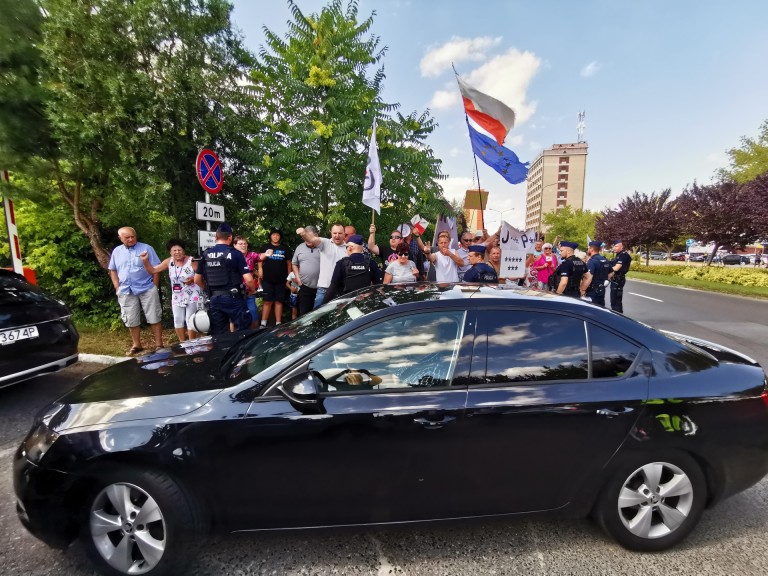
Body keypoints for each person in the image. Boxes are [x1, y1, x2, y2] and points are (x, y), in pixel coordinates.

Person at [108, 226, 164, 355]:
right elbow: (113, 270)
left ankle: (159, 345)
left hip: (147, 288)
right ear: (120, 238)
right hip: (126, 290)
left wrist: (154, 285)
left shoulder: (147, 248)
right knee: (131, 318)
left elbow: (157, 268)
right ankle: (137, 345)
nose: (131, 239)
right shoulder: (117, 251)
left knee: (154, 316)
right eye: (127, 237)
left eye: (133, 236)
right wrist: (117, 286)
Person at [194, 223, 254, 335]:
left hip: (214, 299)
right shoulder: (235, 254)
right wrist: (252, 291)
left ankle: (222, 351)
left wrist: (209, 290)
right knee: (243, 332)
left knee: (219, 335)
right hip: (234, 298)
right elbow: (249, 280)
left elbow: (197, 280)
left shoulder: (205, 254)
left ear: (216, 237)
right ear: (230, 237)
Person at [140, 239, 203, 342]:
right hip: (177, 295)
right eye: (174, 250)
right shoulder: (168, 261)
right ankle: (182, 343)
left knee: (190, 319)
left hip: (192, 295)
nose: (177, 252)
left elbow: (201, 275)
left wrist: (192, 279)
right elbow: (153, 270)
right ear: (170, 252)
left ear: (184, 251)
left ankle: (192, 343)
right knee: (177, 319)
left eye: (179, 250)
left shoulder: (192, 261)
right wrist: (145, 261)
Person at [297, 223, 347, 308]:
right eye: (335, 233)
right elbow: (312, 239)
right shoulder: (325, 243)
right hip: (324, 289)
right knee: (317, 317)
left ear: (344, 234)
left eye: (340, 233)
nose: (337, 235)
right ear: (331, 233)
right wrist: (303, 234)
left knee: (340, 319)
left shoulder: (348, 248)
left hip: (341, 290)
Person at [324, 235, 380, 302]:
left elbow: (333, 287)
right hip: (365, 303)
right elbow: (379, 286)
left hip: (346, 303)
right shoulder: (371, 263)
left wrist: (323, 306)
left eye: (346, 247)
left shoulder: (341, 263)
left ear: (350, 248)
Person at [258, 228, 293, 326]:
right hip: (267, 279)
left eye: (277, 235)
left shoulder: (285, 248)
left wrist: (289, 277)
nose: (275, 237)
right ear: (270, 236)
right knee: (267, 301)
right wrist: (260, 269)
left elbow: (289, 263)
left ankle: (278, 323)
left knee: (279, 301)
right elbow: (260, 259)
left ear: (280, 237)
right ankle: (263, 324)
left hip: (281, 280)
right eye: (273, 235)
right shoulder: (265, 247)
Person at [234, 235, 267, 328]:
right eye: (240, 244)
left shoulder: (251, 255)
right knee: (235, 319)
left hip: (249, 292)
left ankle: (253, 336)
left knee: (254, 316)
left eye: (245, 243)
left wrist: (267, 253)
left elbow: (260, 256)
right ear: (235, 245)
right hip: (235, 293)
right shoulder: (231, 256)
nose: (243, 245)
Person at [291, 225, 321, 315]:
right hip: (305, 286)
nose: (308, 240)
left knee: (320, 313)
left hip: (322, 288)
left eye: (310, 237)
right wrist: (298, 279)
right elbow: (294, 263)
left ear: (316, 236)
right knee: (305, 313)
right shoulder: (299, 247)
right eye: (305, 237)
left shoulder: (322, 246)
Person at [582, 241, 611, 307]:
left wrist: (582, 290)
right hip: (601, 289)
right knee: (600, 310)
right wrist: (605, 279)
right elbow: (611, 272)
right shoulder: (604, 259)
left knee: (590, 310)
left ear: (592, 249)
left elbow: (588, 278)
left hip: (592, 290)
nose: (588, 250)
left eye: (588, 248)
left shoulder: (592, 261)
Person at [609, 239, 632, 313]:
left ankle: (617, 317)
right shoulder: (618, 255)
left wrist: (606, 268)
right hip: (615, 279)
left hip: (618, 279)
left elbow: (616, 268)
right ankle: (617, 315)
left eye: (616, 246)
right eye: (613, 246)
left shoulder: (624, 255)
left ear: (622, 247)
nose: (614, 248)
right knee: (614, 300)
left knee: (616, 300)